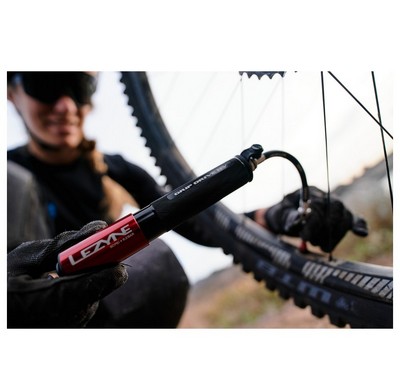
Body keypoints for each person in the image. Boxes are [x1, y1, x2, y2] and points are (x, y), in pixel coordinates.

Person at [7, 71, 368, 328]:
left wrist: (274, 216)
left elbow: (197, 224)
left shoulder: (116, 170)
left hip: (107, 312)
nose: (66, 105)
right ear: (12, 92)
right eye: (46, 84)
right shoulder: (10, 176)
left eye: (80, 87)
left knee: (156, 261)